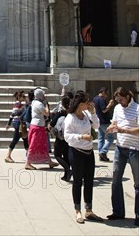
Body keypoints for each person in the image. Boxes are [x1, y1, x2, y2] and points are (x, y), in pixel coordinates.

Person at [64, 90, 102, 224]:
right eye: (87, 102)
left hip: (89, 152)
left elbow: (96, 125)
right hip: (76, 152)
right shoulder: (70, 118)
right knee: (78, 182)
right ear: (80, 104)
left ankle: (89, 209)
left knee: (89, 181)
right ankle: (77, 210)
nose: (89, 104)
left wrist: (93, 112)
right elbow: (67, 137)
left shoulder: (86, 114)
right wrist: (81, 136)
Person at [106, 86, 139, 225]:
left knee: (138, 183)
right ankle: (118, 211)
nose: (119, 102)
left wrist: (123, 130)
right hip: (120, 147)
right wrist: (112, 127)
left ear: (128, 97)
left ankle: (138, 215)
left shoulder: (137, 108)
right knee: (115, 180)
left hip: (135, 148)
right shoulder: (118, 108)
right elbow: (115, 122)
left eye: (121, 99)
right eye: (117, 100)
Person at [24, 88, 58, 170]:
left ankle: (49, 161)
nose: (44, 96)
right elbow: (47, 113)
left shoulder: (35, 102)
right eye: (43, 95)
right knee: (33, 144)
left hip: (37, 125)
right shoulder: (39, 104)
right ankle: (28, 163)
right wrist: (46, 106)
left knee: (43, 144)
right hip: (37, 126)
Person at [49, 95, 71, 181]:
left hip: (60, 137)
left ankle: (68, 171)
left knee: (57, 155)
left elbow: (52, 124)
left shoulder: (60, 113)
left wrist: (48, 128)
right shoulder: (71, 113)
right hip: (68, 137)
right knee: (66, 155)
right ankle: (66, 175)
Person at [93, 87, 115, 162]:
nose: (107, 96)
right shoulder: (101, 100)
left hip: (99, 121)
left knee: (101, 138)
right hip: (104, 121)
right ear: (103, 92)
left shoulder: (95, 99)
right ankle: (103, 152)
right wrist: (110, 104)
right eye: (106, 94)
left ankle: (101, 154)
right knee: (111, 137)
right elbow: (104, 110)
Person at [5, 91, 28, 163]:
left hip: (17, 123)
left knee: (25, 138)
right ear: (19, 97)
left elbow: (12, 115)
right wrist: (24, 110)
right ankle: (7, 156)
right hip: (18, 123)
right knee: (16, 139)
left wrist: (9, 124)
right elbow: (15, 113)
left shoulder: (17, 104)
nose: (24, 98)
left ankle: (29, 155)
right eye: (23, 97)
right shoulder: (19, 105)